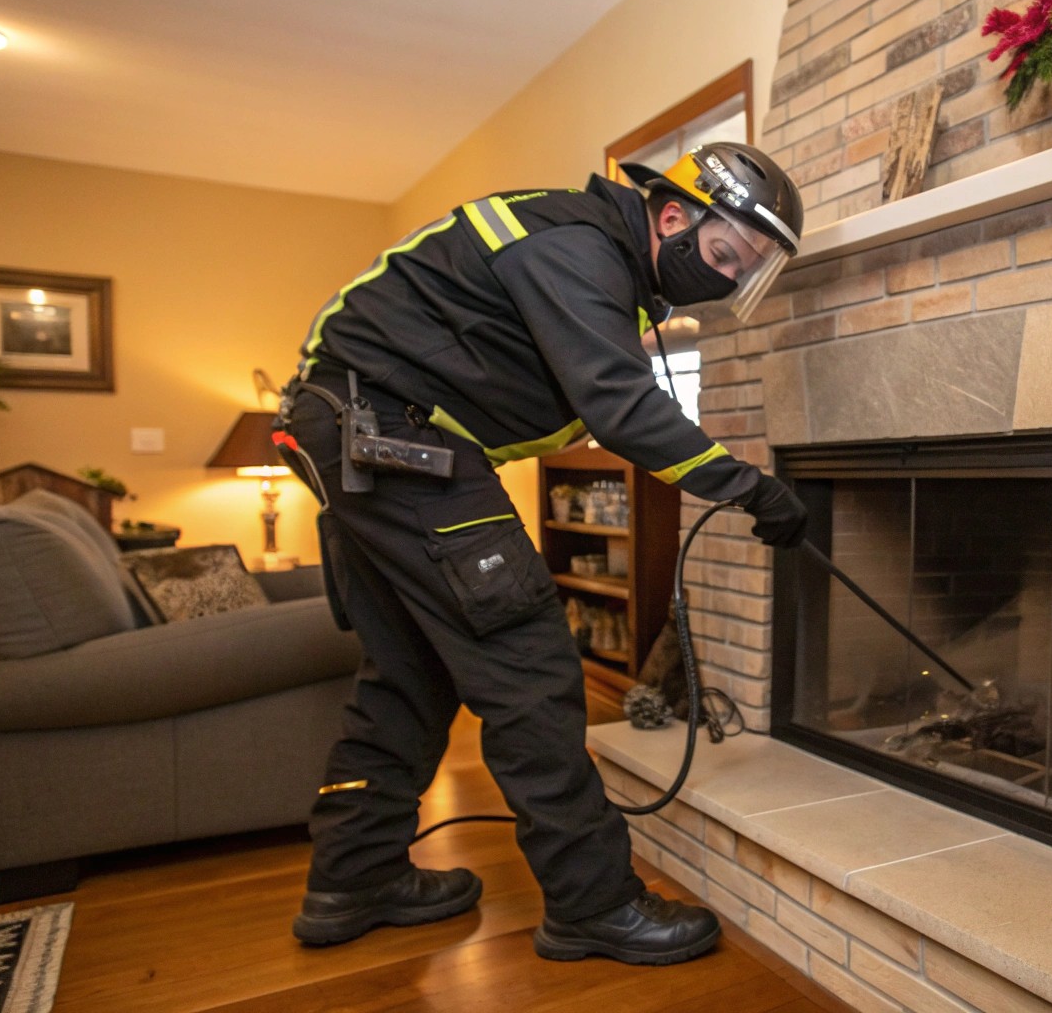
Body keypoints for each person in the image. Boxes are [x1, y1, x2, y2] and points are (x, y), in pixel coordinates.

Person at [273, 142, 808, 964]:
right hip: (391, 442)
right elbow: (621, 406)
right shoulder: (576, 245)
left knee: (410, 671)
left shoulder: (591, 254)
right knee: (529, 667)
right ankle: (595, 903)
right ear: (673, 216)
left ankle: (354, 877)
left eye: (743, 271)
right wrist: (750, 488)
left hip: (365, 440)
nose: (728, 280)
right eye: (723, 256)